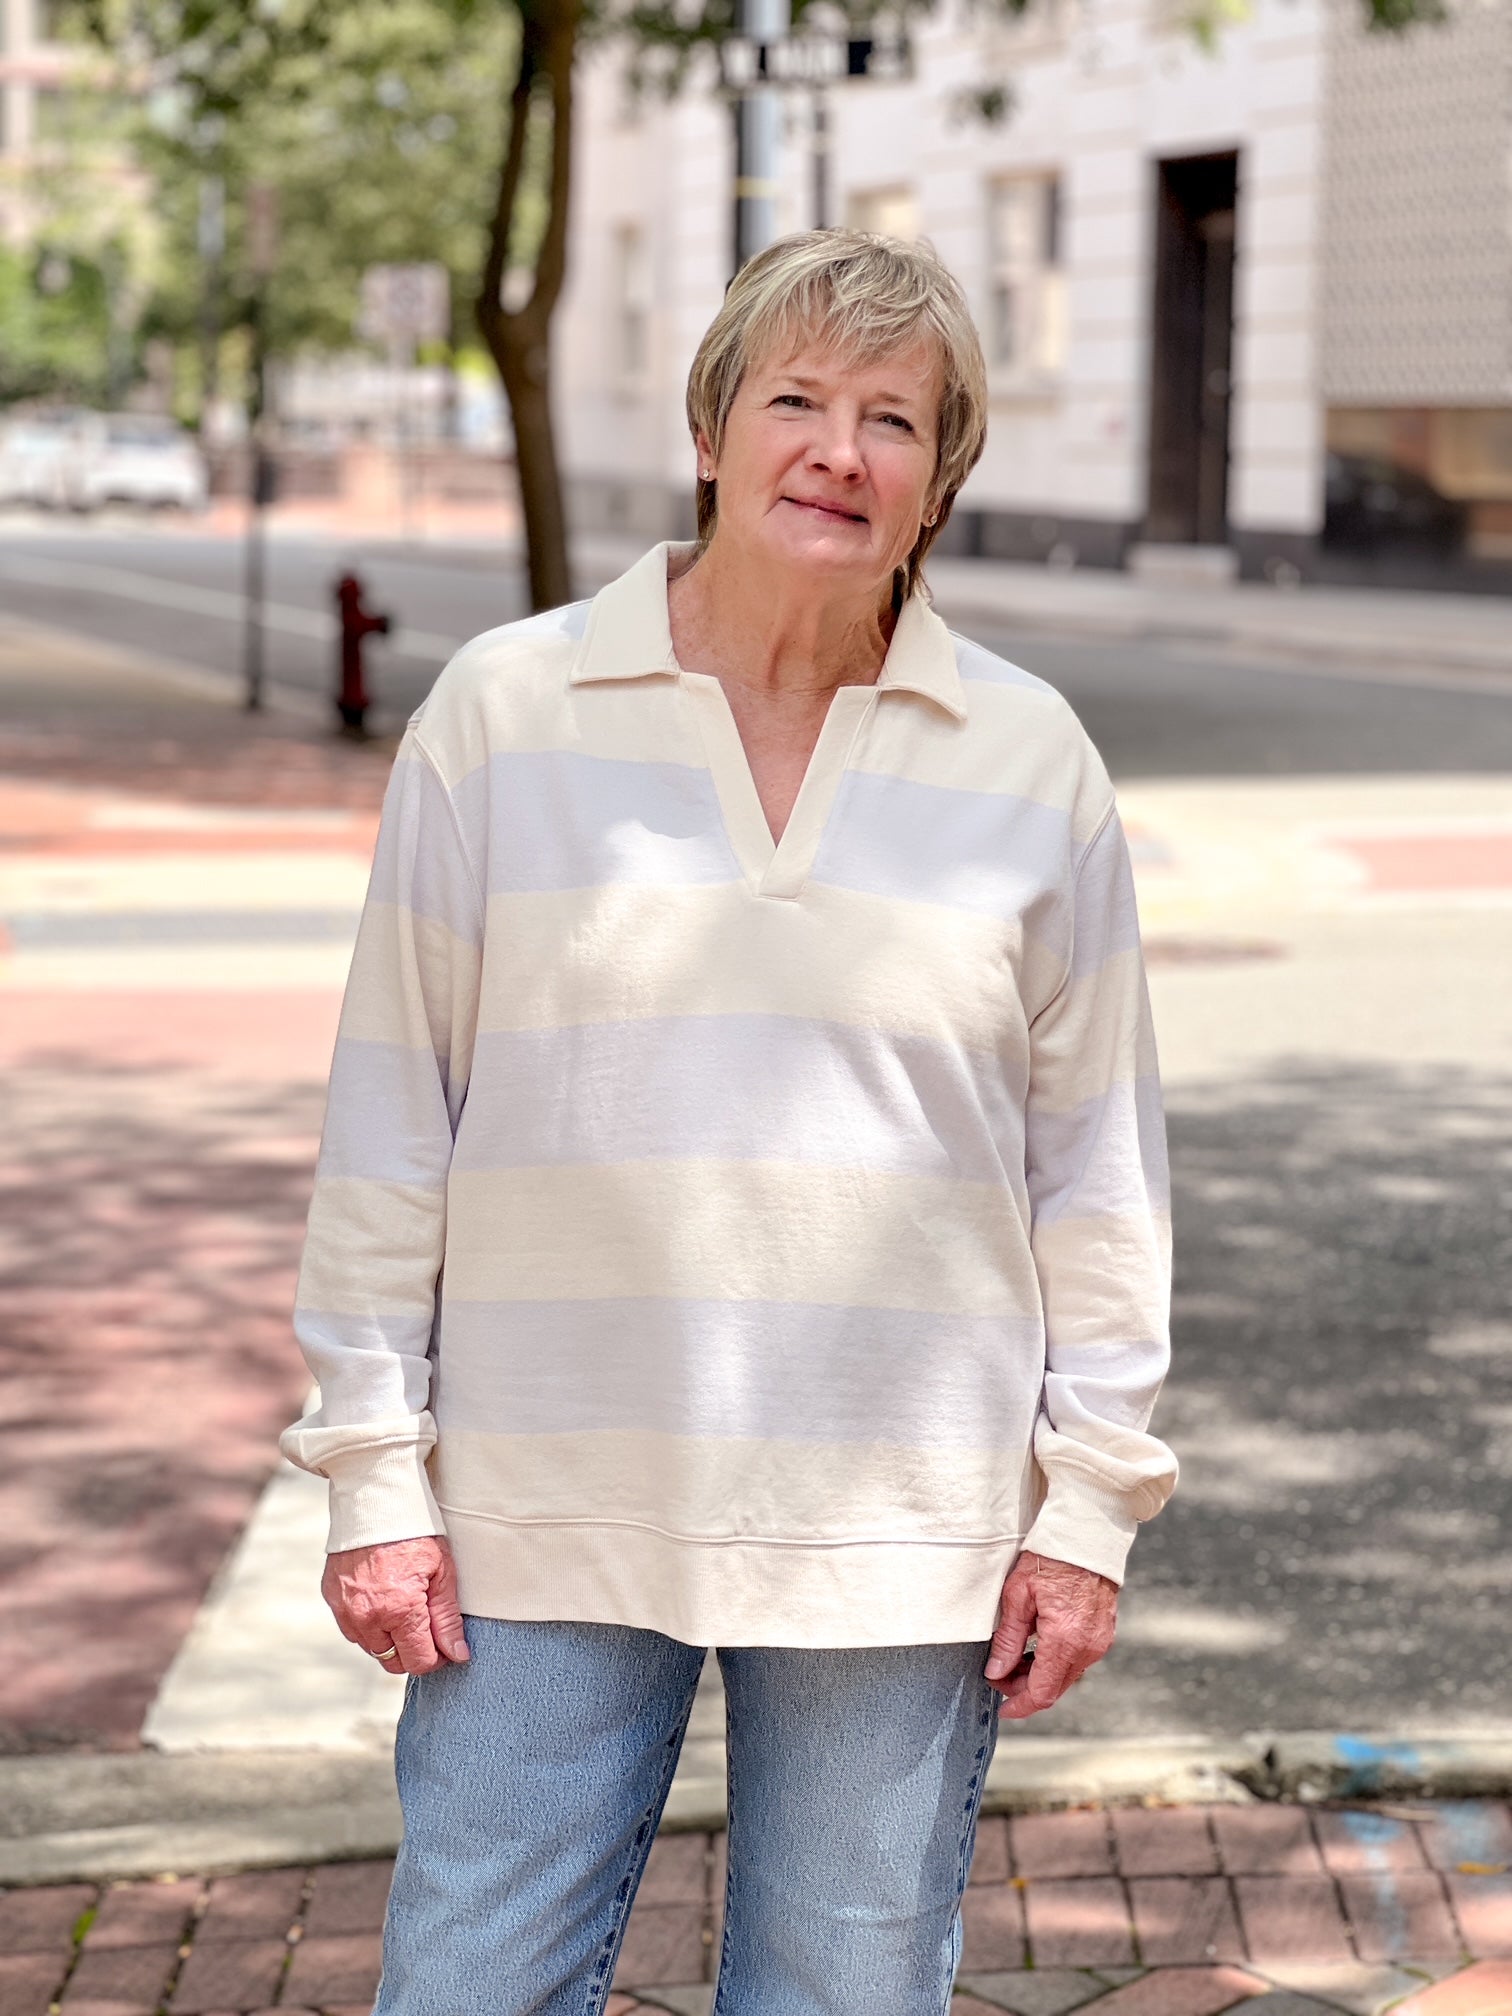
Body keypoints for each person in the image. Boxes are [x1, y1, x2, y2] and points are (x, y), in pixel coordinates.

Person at [282, 228, 1178, 2015]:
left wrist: (1089, 1510)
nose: (839, 451)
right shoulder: (501, 714)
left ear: (940, 483)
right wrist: (375, 1473)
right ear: (712, 430)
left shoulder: (1030, 757)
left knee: (843, 1996)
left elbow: (1097, 1167)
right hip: (538, 1498)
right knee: (468, 1985)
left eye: (896, 421)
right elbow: (393, 1125)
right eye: (797, 400)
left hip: (900, 1527)